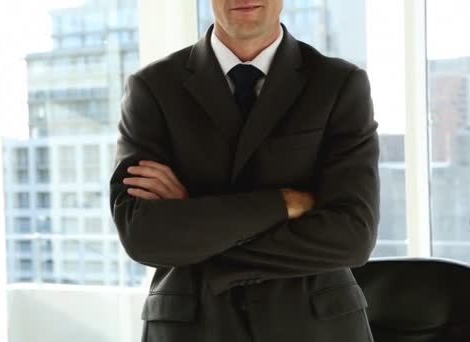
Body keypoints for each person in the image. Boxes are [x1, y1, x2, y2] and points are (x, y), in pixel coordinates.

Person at [109, 0, 380, 341]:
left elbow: (352, 236)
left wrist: (193, 217)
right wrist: (282, 203)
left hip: (313, 327)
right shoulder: (152, 88)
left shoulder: (339, 83)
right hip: (193, 327)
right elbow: (143, 235)